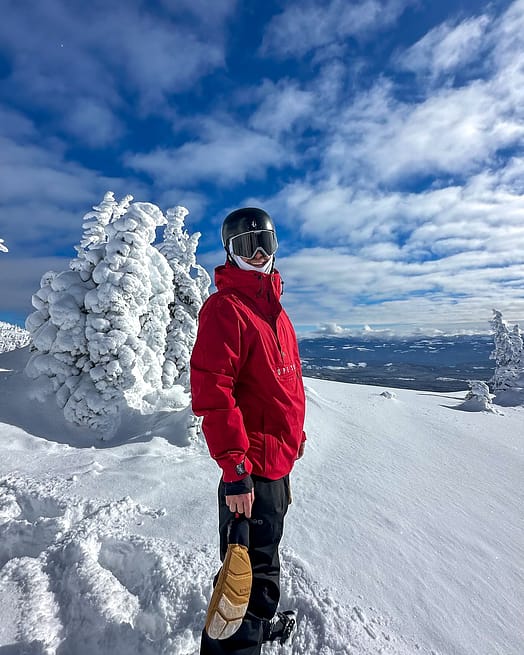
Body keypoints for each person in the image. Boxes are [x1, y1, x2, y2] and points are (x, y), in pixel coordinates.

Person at [190, 207, 307, 655]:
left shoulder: (275, 311)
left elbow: (284, 384)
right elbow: (214, 394)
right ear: (230, 253)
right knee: (244, 577)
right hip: (250, 472)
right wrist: (236, 471)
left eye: (266, 244)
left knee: (263, 560)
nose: (258, 255)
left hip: (275, 464)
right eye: (245, 246)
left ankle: (258, 626)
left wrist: (294, 435)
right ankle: (238, 644)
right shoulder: (226, 310)